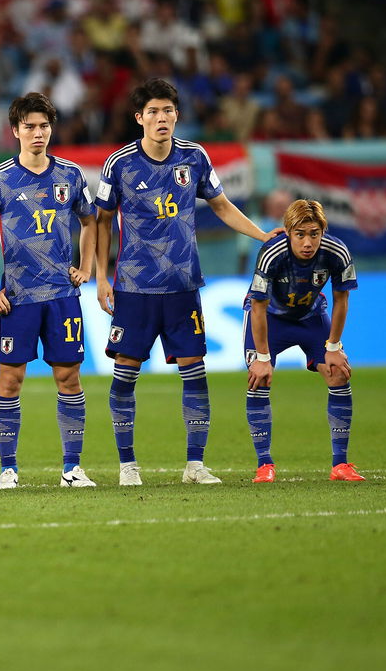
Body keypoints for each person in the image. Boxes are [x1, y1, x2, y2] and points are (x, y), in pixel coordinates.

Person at [95, 78, 275, 487]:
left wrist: (264, 237)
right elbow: (103, 220)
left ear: (177, 115)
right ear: (139, 118)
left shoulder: (194, 157)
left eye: (168, 110)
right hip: (135, 289)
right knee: (125, 375)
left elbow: (223, 207)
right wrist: (101, 277)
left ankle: (195, 465)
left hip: (182, 287)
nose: (162, 118)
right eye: (153, 112)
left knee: (195, 374)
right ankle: (127, 466)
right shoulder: (119, 164)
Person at [0, 92, 97, 490]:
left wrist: (88, 266)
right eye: (30, 127)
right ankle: (8, 469)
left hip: (62, 295)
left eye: (44, 126)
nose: (38, 133)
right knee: (10, 381)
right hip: (18, 300)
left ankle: (72, 469)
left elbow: (91, 221)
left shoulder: (71, 175)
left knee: (69, 378)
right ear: (15, 131)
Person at [244, 199, 362, 482]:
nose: (307, 242)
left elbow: (341, 299)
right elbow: (258, 307)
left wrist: (333, 347)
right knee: (258, 378)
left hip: (310, 317)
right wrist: (262, 357)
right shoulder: (272, 253)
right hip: (271, 320)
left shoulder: (337, 252)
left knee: (338, 374)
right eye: (300, 234)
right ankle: (264, 465)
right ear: (288, 232)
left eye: (314, 234)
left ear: (323, 231)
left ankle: (340, 465)